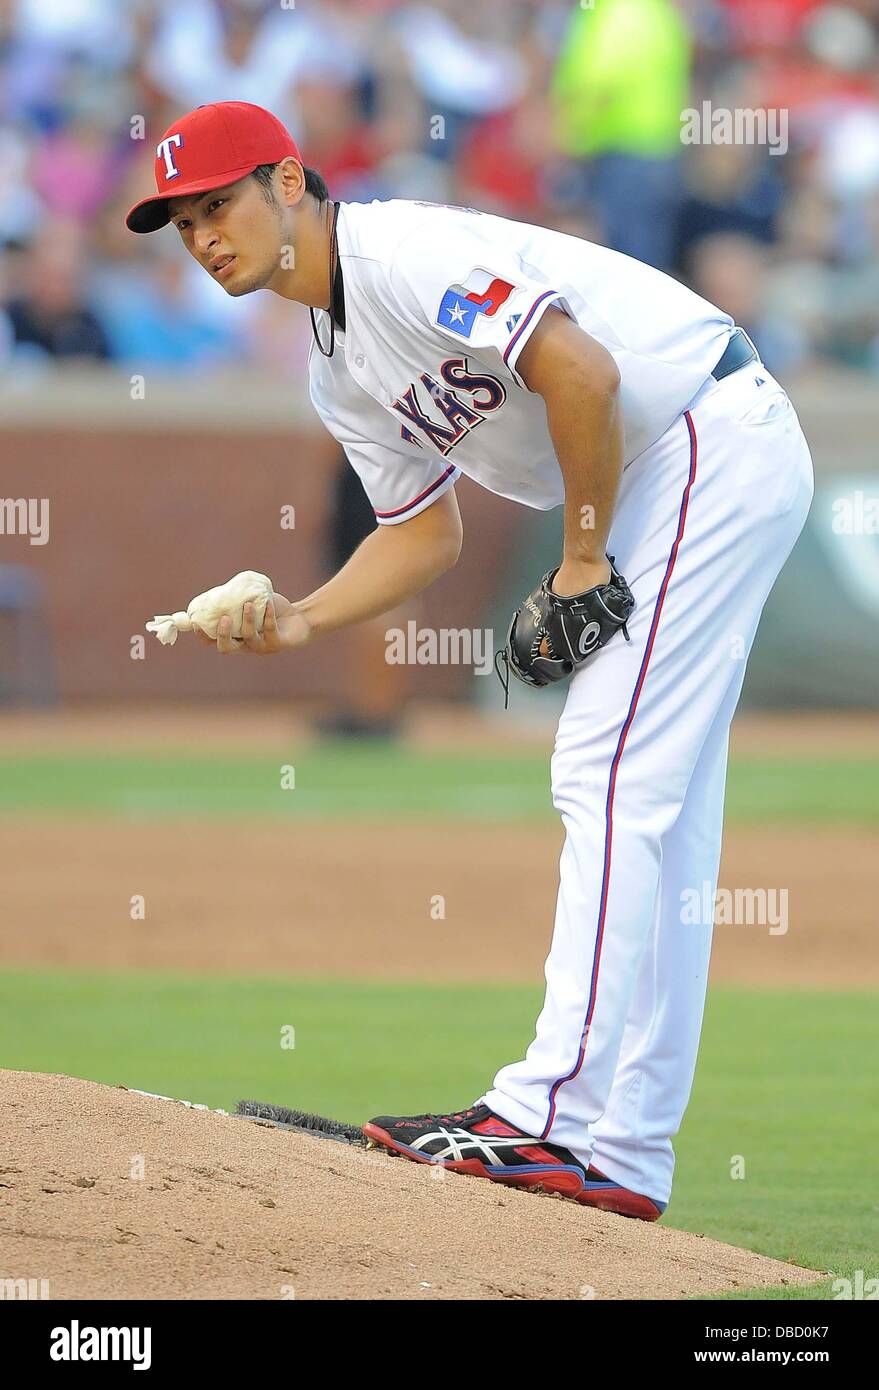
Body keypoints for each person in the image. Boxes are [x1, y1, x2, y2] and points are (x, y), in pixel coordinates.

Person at [127, 102, 814, 1220]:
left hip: (702, 434)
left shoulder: (402, 256)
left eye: (218, 203)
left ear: (290, 182)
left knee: (603, 768)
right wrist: (299, 617)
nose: (202, 235)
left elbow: (579, 369)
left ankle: (543, 1115)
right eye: (181, 222)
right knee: (665, 807)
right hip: (676, 462)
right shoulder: (333, 366)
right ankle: (625, 1149)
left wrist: (582, 557)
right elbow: (422, 533)